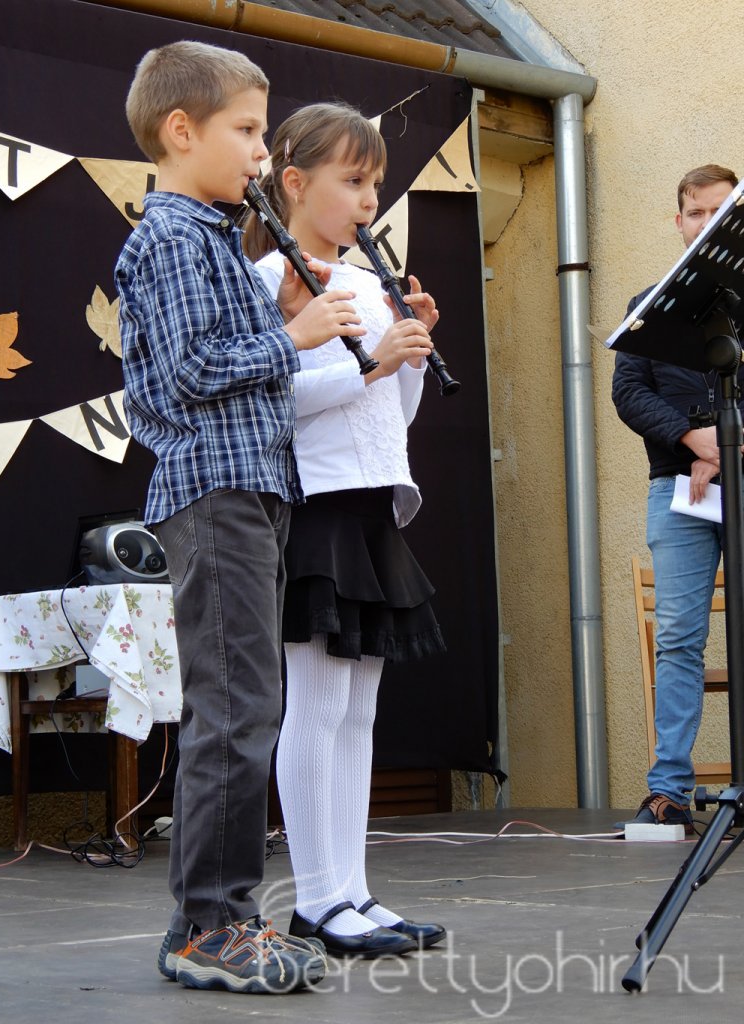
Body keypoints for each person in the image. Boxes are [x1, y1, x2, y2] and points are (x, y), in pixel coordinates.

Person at [115, 42, 369, 994]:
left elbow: (228, 360)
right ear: (182, 132)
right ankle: (208, 928)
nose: (264, 153)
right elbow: (185, 378)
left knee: (248, 704)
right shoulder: (173, 238)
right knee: (237, 709)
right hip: (213, 492)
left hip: (251, 488)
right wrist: (288, 332)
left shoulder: (214, 237)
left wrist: (289, 318)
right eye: (249, 131)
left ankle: (221, 919)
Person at [245, 102, 448, 958]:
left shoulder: (368, 282)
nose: (370, 200)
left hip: (371, 497)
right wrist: (372, 362)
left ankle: (354, 892)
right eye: (353, 181)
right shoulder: (266, 284)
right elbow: (270, 405)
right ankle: (315, 899)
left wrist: (409, 351)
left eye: (375, 184)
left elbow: (388, 413)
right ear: (295, 183)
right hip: (313, 502)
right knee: (317, 707)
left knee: (359, 712)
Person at [612, 163, 742, 832]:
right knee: (680, 638)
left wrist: (730, 449)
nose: (707, 223)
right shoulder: (648, 303)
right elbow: (628, 393)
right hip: (678, 490)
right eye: (697, 212)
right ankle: (668, 791)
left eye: (721, 211)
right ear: (679, 221)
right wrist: (696, 440)